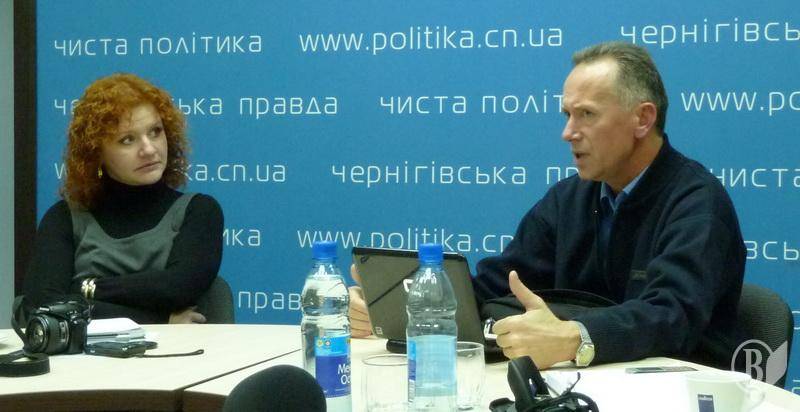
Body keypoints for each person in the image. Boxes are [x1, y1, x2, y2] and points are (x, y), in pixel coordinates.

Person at [349, 41, 745, 370]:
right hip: (586, 387)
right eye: (567, 115)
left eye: (586, 115)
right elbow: (496, 284)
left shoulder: (697, 202)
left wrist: (574, 337)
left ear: (642, 119)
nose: (568, 133)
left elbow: (672, 315)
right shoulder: (568, 198)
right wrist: (400, 306)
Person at [22, 73, 224, 324]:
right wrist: (160, 320)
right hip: (88, 352)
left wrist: (86, 289)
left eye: (155, 132)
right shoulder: (64, 218)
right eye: (127, 140)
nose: (149, 149)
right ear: (96, 153)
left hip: (176, 349)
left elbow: (179, 287)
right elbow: (42, 305)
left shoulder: (199, 210)